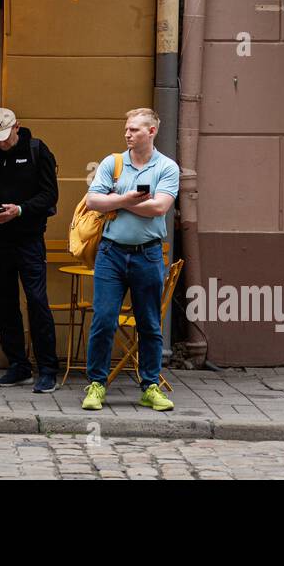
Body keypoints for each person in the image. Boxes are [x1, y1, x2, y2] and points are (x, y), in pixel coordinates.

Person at [80, 108, 180, 412]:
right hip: (111, 253)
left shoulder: (167, 167)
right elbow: (93, 201)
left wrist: (117, 200)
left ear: (151, 132)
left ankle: (150, 385)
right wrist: (130, 200)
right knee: (104, 319)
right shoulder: (113, 162)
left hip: (148, 254)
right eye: (126, 129)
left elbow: (159, 207)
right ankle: (97, 384)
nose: (127, 134)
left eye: (135, 129)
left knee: (149, 323)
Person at [0, 107, 60, 393]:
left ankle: (47, 368)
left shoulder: (37, 151)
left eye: (5, 138)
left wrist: (19, 210)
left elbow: (49, 195)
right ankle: (18, 365)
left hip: (28, 238)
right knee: (3, 303)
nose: (1, 143)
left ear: (17, 127)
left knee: (37, 301)